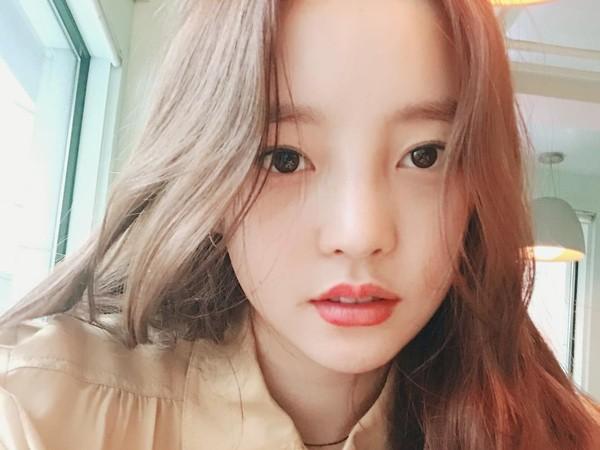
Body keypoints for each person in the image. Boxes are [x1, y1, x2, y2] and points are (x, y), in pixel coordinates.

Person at [1, 0, 599, 449]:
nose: (360, 233)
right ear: (208, 171)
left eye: (424, 155)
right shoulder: (40, 414)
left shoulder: (560, 432)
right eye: (284, 158)